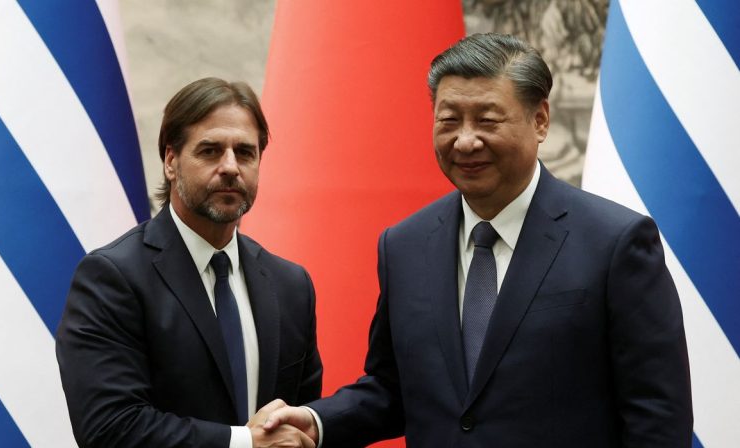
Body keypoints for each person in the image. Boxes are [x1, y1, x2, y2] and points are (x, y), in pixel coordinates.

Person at [264, 33, 693, 447]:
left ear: (540, 120)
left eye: (487, 120)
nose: (465, 140)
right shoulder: (404, 245)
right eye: (449, 120)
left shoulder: (615, 242)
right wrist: (318, 422)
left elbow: (656, 413)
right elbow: (394, 388)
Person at [56, 78, 322, 448]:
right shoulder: (111, 278)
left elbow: (301, 423)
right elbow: (109, 428)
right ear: (170, 161)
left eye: (245, 152)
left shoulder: (291, 285)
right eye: (210, 151)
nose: (230, 166)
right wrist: (244, 443)